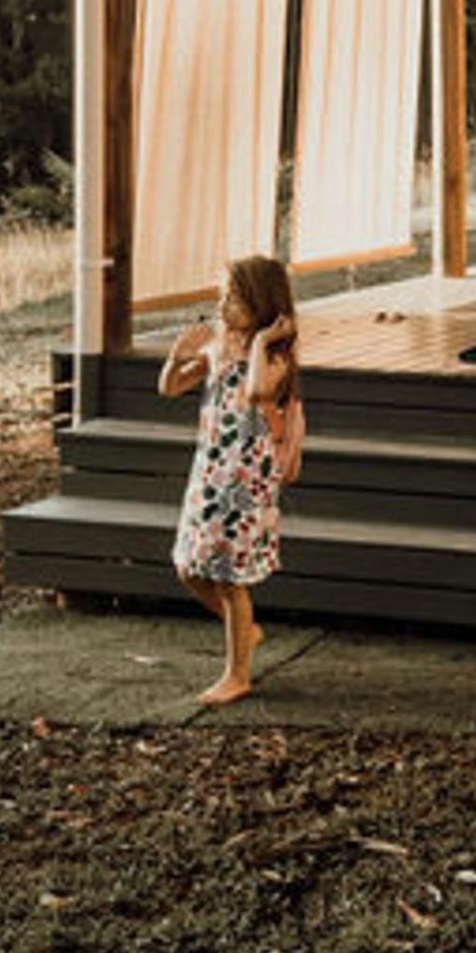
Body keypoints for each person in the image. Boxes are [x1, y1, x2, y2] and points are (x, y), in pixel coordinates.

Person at [159, 254, 303, 706]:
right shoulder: (218, 346)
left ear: (262, 304)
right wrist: (177, 355)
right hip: (209, 470)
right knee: (188, 566)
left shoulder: (275, 355)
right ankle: (247, 632)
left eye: (234, 299)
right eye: (222, 297)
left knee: (228, 576)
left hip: (246, 476)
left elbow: (259, 390)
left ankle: (237, 674)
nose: (223, 308)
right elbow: (170, 388)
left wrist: (261, 342)